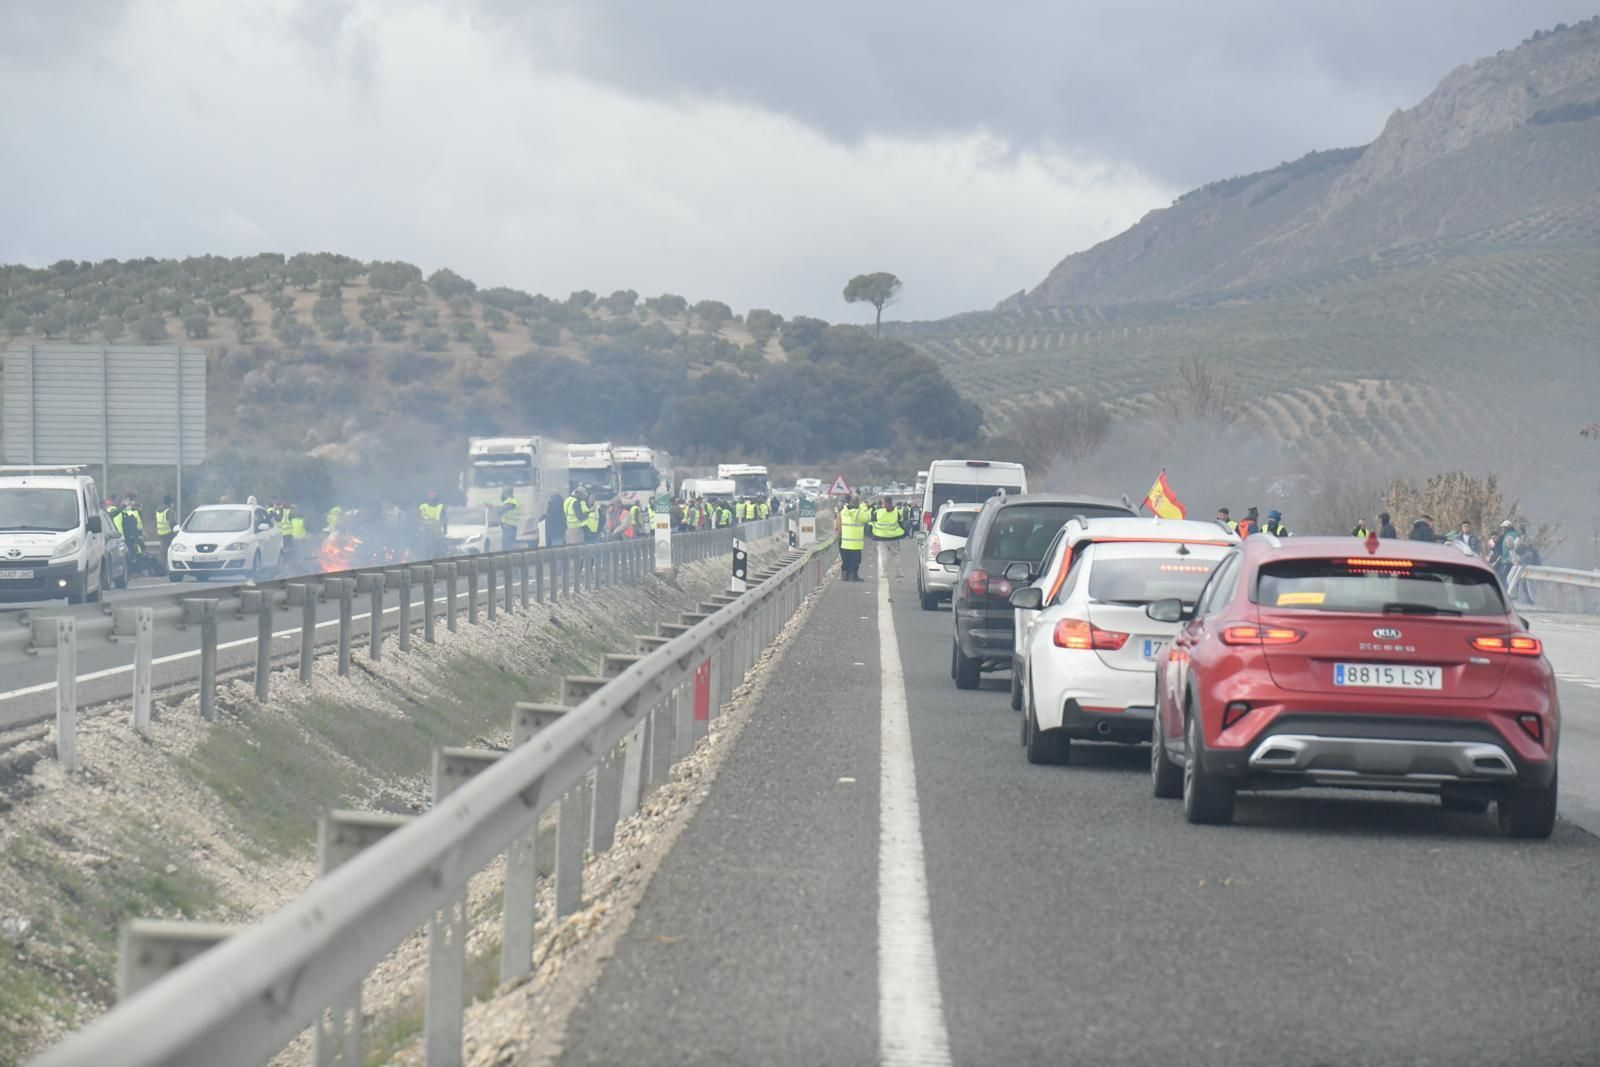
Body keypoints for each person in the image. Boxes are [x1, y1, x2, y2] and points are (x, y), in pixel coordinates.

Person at [838, 495, 869, 581]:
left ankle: (845, 575)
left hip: (845, 542)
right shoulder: (858, 513)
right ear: (858, 503)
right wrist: (864, 507)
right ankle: (853, 575)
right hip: (855, 543)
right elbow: (867, 517)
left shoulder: (844, 511)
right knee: (855, 560)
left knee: (846, 560)